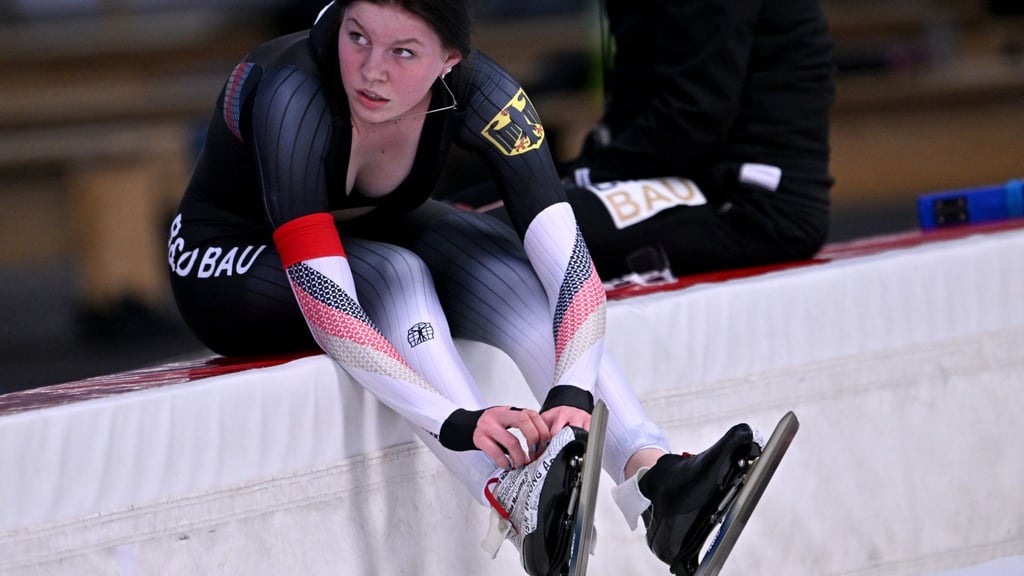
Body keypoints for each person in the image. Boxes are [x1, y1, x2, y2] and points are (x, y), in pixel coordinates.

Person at [166, 1, 761, 573]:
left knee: (508, 264)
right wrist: (458, 420)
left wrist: (572, 396)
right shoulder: (293, 92)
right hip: (227, 257)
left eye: (403, 51)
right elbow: (330, 306)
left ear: (450, 61)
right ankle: (508, 491)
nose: (372, 71)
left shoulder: (488, 93)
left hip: (370, 232)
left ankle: (657, 482)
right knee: (398, 274)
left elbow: (572, 269)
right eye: (358, 37)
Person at [443, 0, 836, 286]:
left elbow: (692, 122)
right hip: (675, 174)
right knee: (451, 210)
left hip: (751, 203)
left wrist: (578, 177)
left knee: (488, 235)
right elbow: (641, 114)